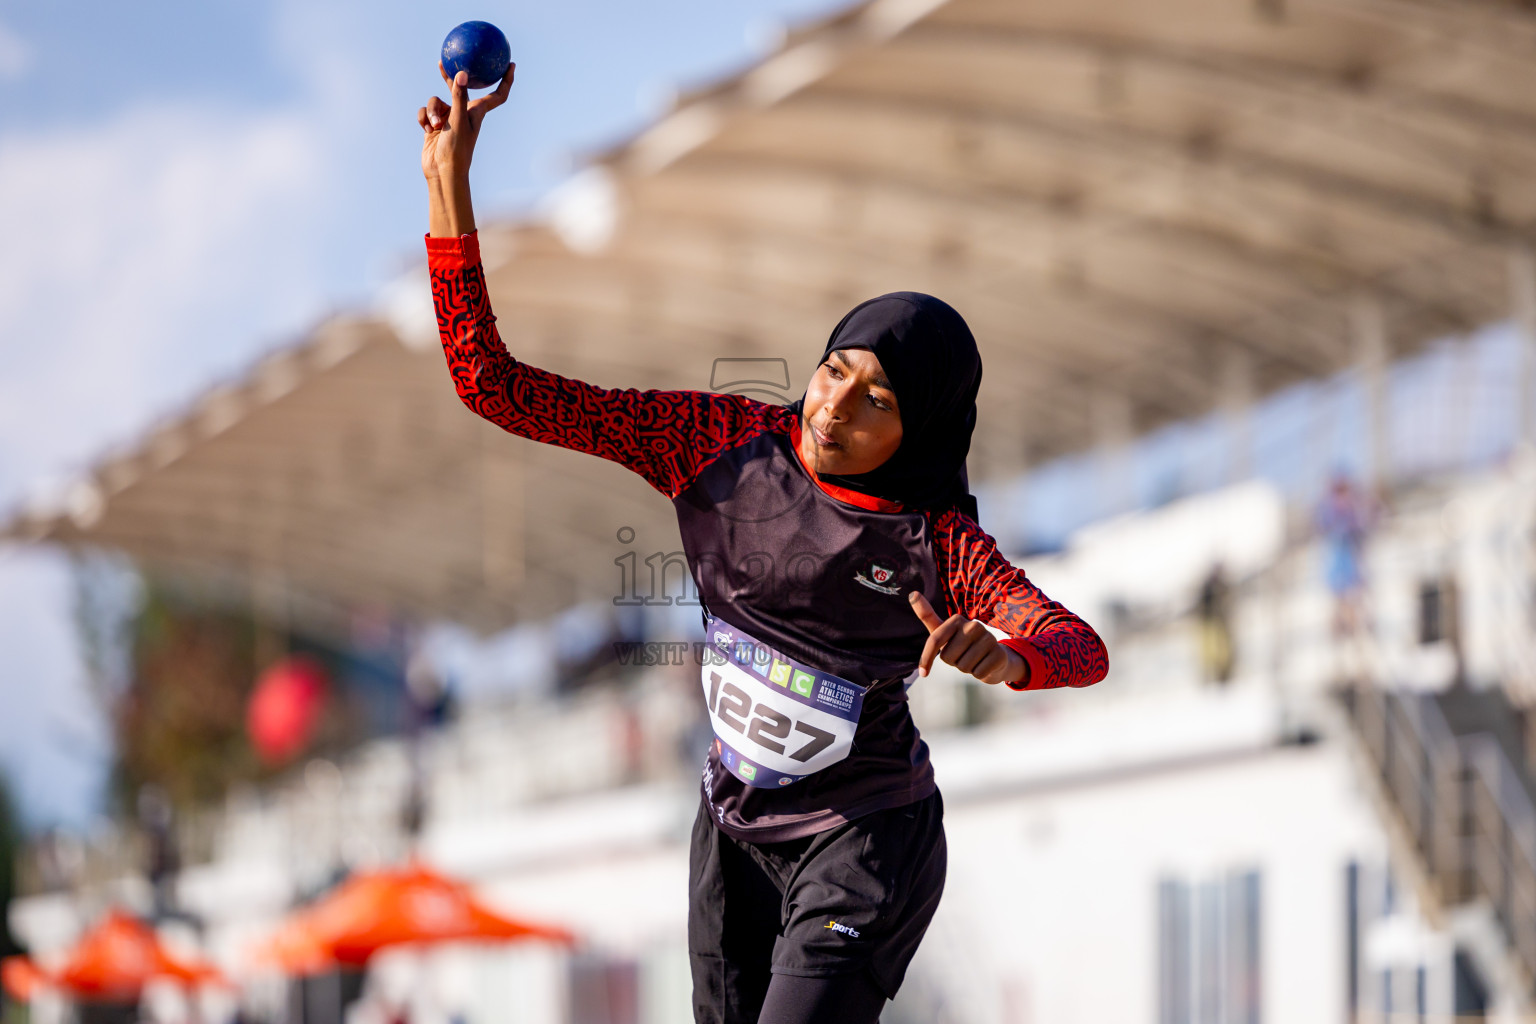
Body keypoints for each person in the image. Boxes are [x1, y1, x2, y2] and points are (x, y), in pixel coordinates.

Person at [417, 64, 1109, 1024]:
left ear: (925, 431)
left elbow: (1083, 646)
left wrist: (1009, 654)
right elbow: (500, 388)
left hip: (867, 844)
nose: (837, 407)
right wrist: (448, 186)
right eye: (834, 370)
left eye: (880, 402)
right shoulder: (715, 444)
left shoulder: (939, 541)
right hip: (733, 832)